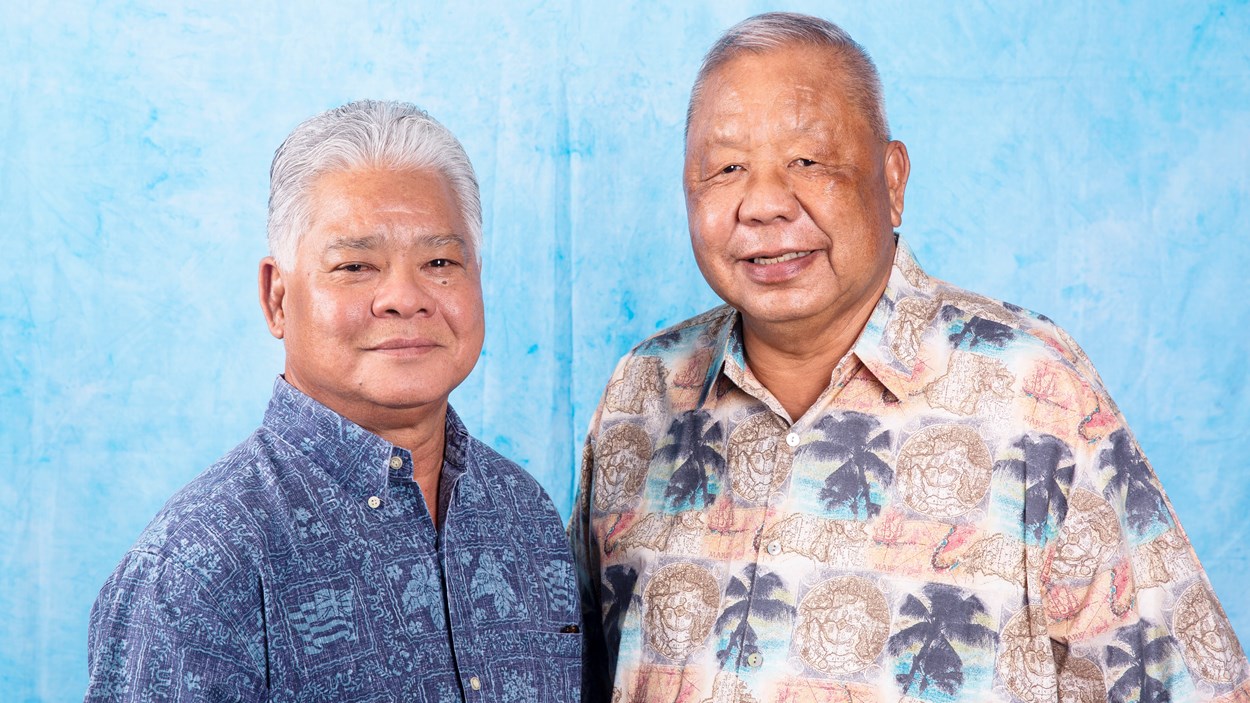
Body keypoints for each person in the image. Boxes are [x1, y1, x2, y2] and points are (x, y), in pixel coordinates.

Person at [571, 12, 1248, 702]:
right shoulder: (643, 394)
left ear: (891, 180)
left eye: (806, 161)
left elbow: (1195, 686)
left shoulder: (1032, 392)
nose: (765, 203)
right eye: (726, 167)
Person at [86, 100, 582, 701]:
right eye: (355, 265)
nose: (405, 297)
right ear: (277, 297)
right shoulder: (199, 564)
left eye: (440, 261)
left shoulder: (522, 516)